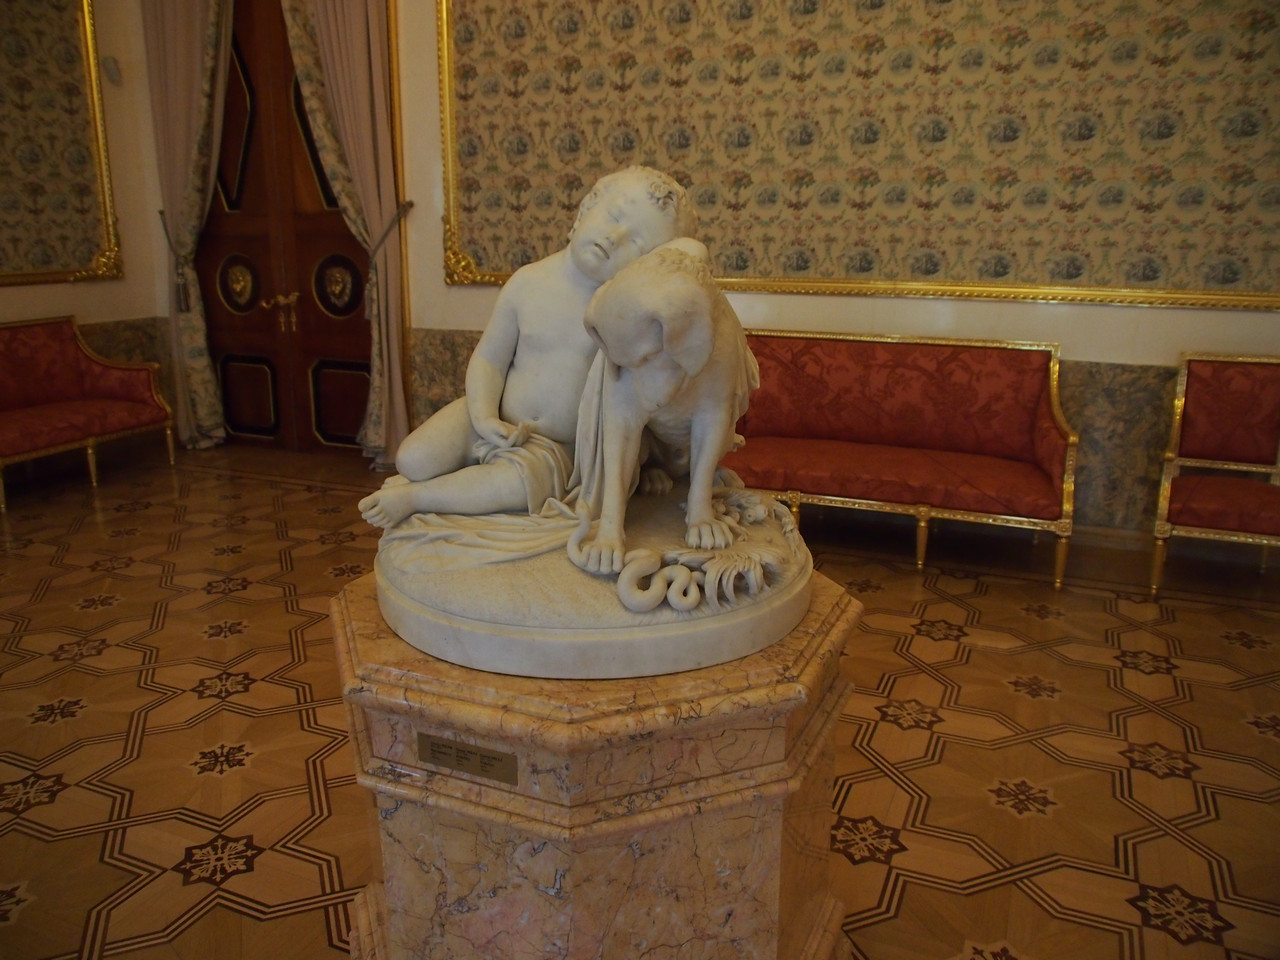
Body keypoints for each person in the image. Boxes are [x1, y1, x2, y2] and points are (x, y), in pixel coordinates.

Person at [359, 166, 697, 528]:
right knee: (412, 459)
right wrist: (483, 416)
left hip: (555, 448)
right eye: (614, 217)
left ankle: (416, 498)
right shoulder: (528, 282)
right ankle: (449, 471)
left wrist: (647, 463)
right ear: (586, 207)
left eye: (637, 244)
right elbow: (489, 359)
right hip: (493, 415)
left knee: (513, 485)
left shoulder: (627, 317)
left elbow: (646, 398)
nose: (614, 237)